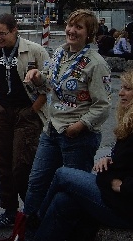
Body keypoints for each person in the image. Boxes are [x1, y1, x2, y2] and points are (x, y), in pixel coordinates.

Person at [23, 9, 112, 225]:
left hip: (77, 136)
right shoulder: (59, 54)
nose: (72, 31)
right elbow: (50, 84)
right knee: (36, 182)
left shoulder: (96, 63)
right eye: (70, 25)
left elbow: (103, 106)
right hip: (52, 130)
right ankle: (28, 228)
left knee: (71, 190)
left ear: (89, 34)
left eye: (79, 27)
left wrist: (80, 125)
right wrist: (37, 77)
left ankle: (65, 230)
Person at [32, 69, 133, 241]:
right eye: (122, 87)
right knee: (63, 200)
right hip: (113, 194)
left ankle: (34, 220)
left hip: (123, 207)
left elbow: (123, 184)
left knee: (62, 174)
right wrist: (110, 160)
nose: (121, 93)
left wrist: (118, 184)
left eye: (128, 89)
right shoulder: (129, 124)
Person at [0, 13, 50, 229]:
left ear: (14, 30)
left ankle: (32, 212)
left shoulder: (35, 51)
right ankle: (10, 210)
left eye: (2, 33)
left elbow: (49, 86)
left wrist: (32, 110)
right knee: (1, 161)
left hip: (26, 113)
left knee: (21, 165)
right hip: (2, 112)